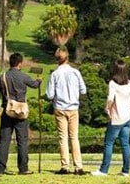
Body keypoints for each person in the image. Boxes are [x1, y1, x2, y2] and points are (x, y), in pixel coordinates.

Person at [0, 52, 42, 176]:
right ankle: (23, 168)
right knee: (22, 141)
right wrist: (39, 80)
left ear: (10, 63)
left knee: (4, 140)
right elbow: (34, 85)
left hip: (7, 111)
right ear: (20, 63)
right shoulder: (23, 77)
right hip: (21, 113)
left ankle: (0, 168)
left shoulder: (2, 77)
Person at [91, 60, 130, 177]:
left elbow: (110, 99)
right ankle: (125, 171)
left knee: (109, 143)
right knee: (125, 144)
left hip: (116, 119)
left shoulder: (113, 83)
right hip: (128, 119)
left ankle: (104, 170)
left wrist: (107, 109)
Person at [45, 46, 87, 175]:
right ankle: (78, 166)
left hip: (60, 108)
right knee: (74, 137)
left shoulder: (55, 74)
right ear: (68, 57)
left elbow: (50, 95)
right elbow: (83, 90)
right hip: (73, 107)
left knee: (63, 138)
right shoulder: (76, 72)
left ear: (57, 59)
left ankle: (65, 166)